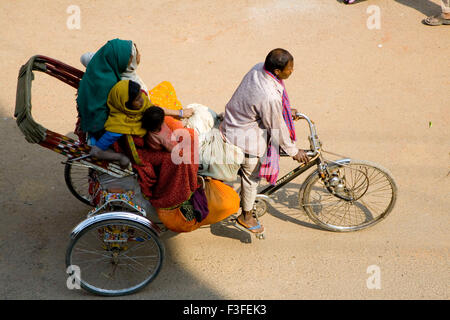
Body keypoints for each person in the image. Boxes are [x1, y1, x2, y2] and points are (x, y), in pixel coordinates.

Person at [220, 48, 309, 234]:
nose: (292, 71)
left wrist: (284, 110)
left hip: (234, 119)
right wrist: (294, 151)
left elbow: (269, 108)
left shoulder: (259, 68)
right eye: (289, 68)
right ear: (277, 71)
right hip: (242, 136)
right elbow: (276, 128)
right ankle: (245, 216)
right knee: (252, 176)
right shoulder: (269, 96)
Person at [79, 43, 194, 120]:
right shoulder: (130, 84)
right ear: (129, 63)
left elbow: (84, 57)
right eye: (136, 56)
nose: (139, 56)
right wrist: (181, 113)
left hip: (139, 100)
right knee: (170, 108)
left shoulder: (108, 66)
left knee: (166, 85)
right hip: (145, 109)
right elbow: (149, 109)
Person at [90, 79, 153, 168]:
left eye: (140, 95)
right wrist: (121, 157)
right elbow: (95, 152)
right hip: (142, 156)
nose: (142, 100)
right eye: (137, 99)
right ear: (125, 104)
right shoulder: (118, 125)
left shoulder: (143, 104)